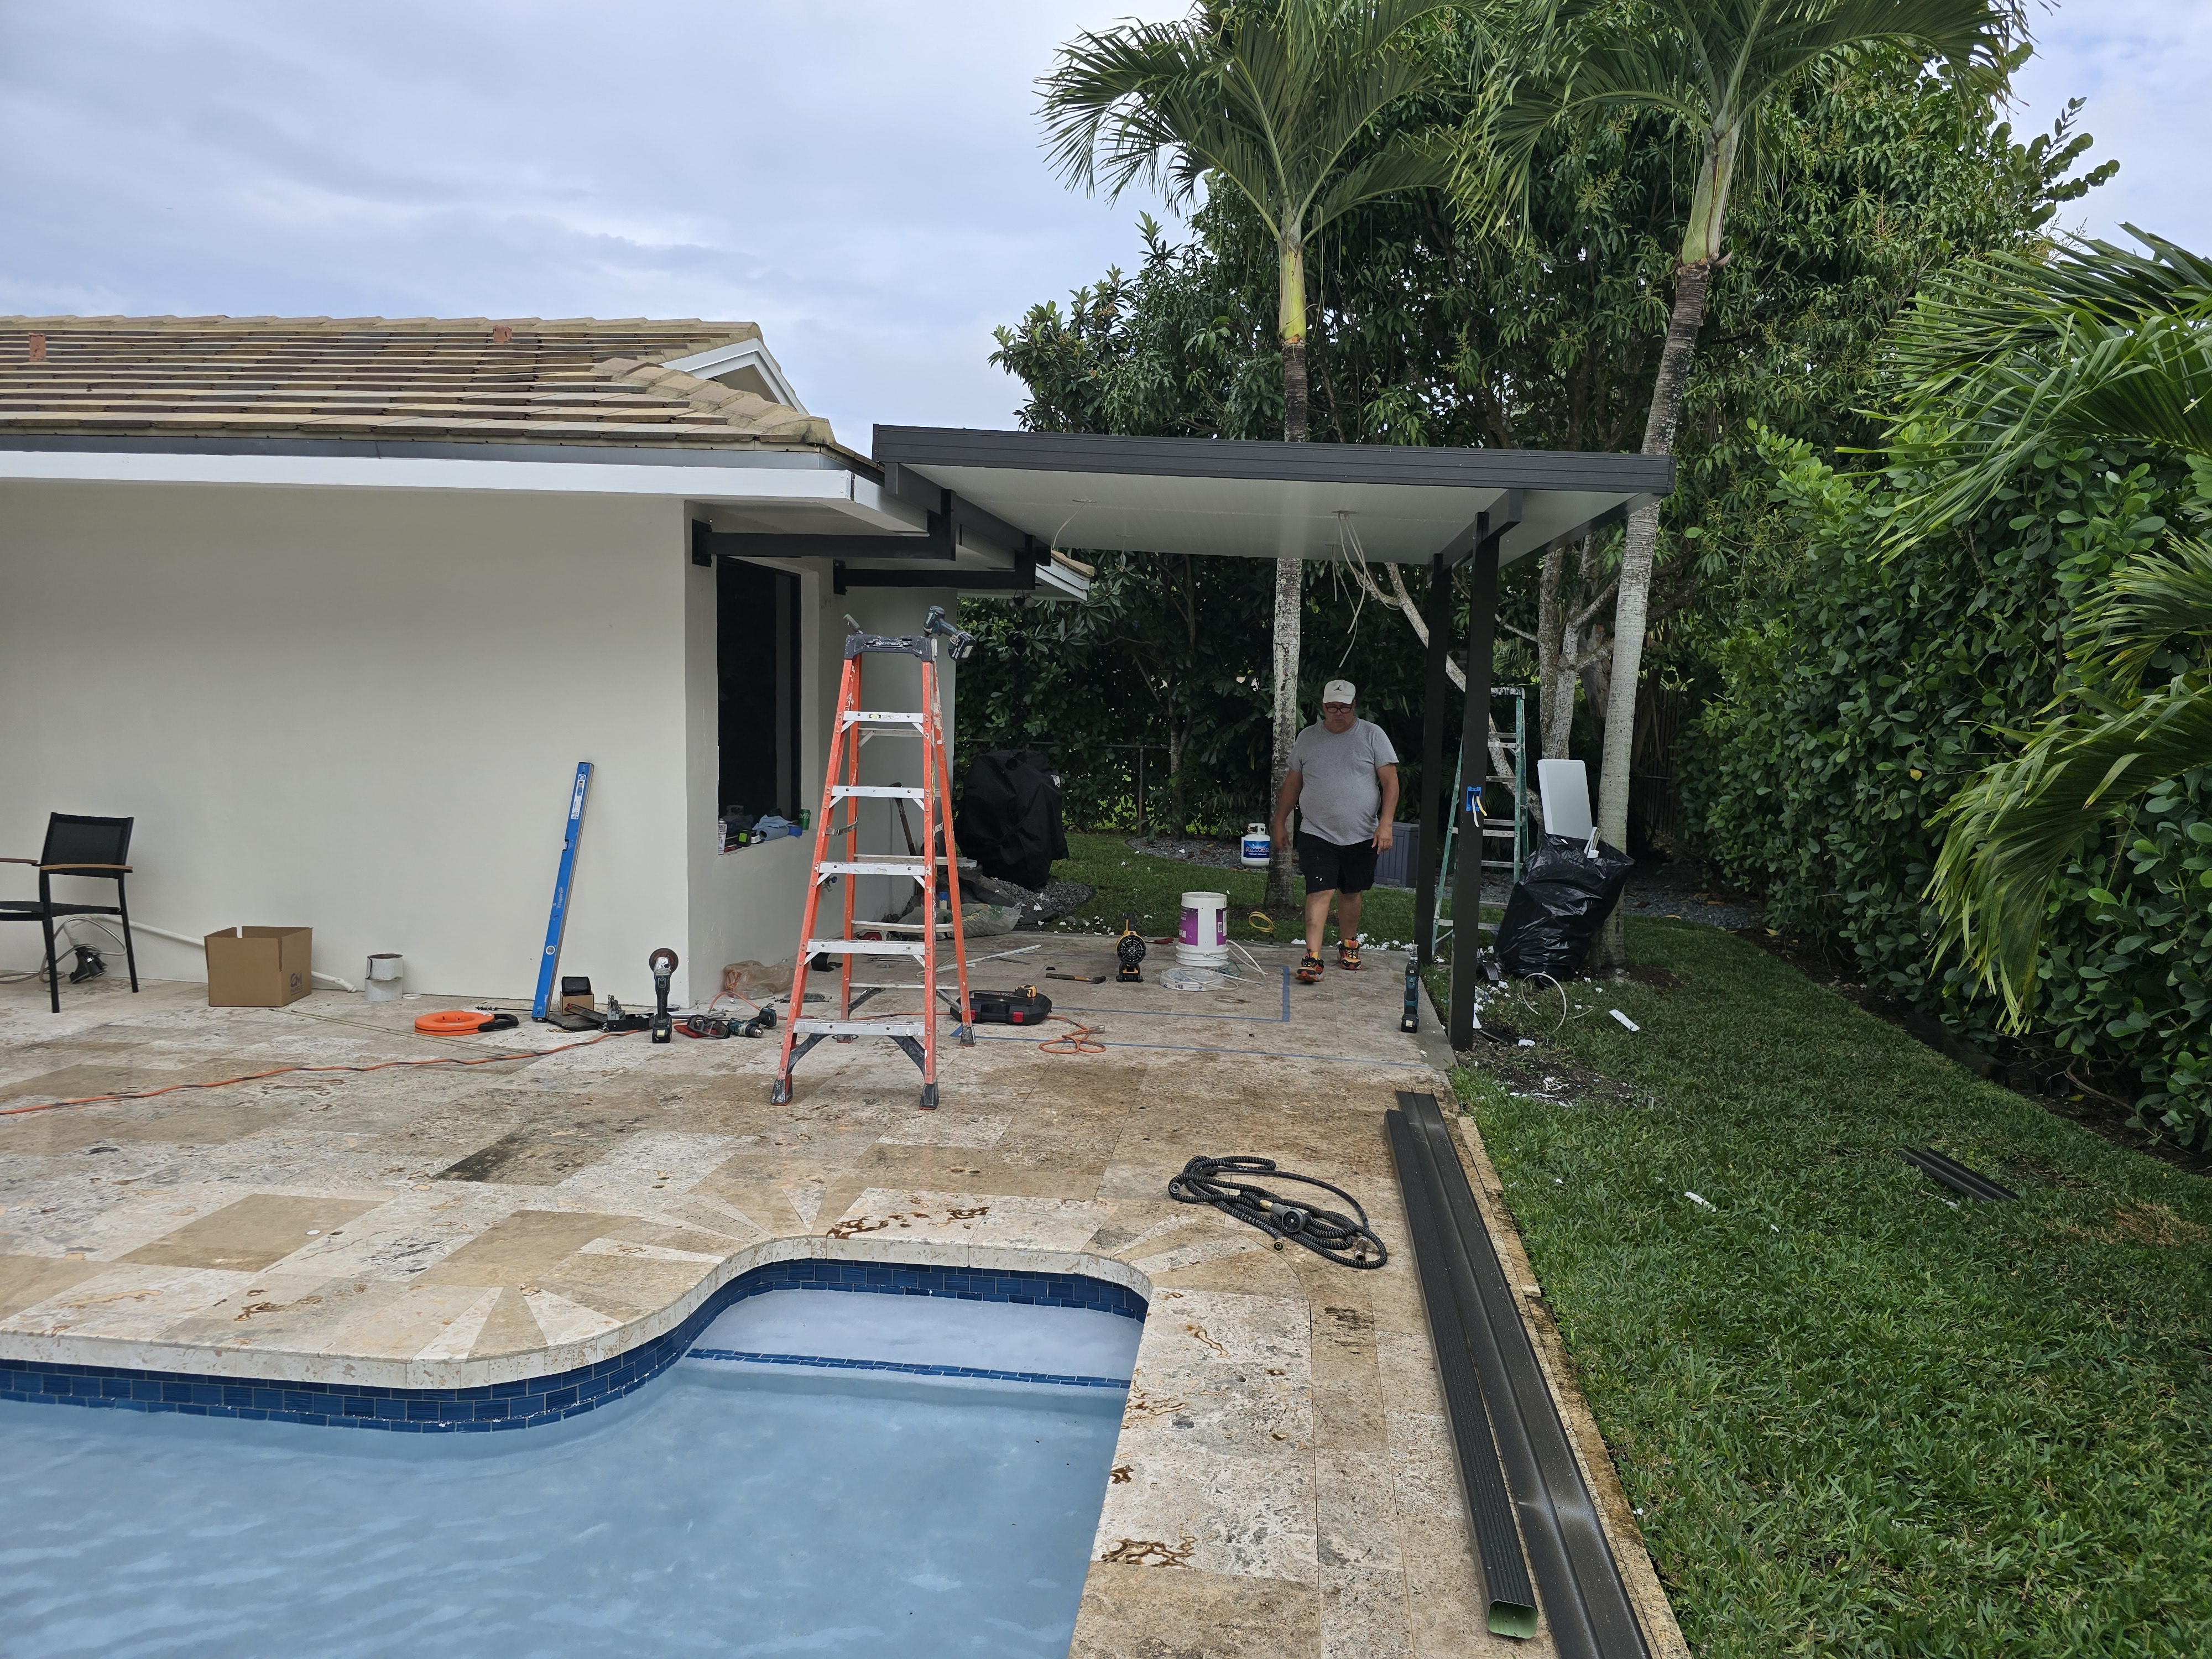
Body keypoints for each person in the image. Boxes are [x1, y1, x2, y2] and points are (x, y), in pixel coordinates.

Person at [1271, 679, 1399, 984]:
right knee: (1319, 891)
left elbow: (1391, 783)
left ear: (1354, 705)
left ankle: (1349, 944)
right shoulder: (1308, 737)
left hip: (1362, 832)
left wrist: (1386, 823)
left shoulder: (1372, 735)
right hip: (1317, 831)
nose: (1338, 713)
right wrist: (1280, 821)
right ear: (1323, 706)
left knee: (1351, 892)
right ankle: (1312, 956)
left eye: (1344, 707)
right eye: (1332, 707)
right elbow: (1293, 783)